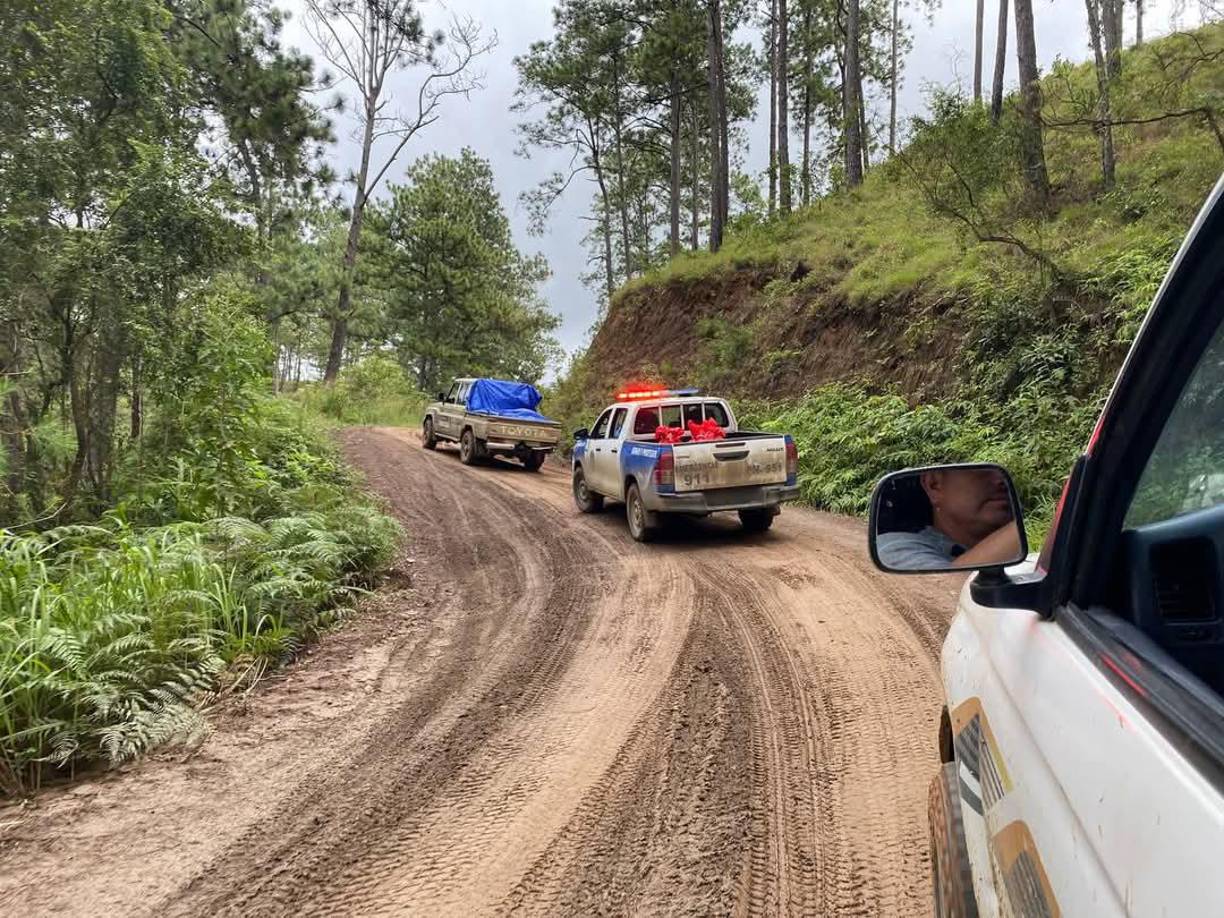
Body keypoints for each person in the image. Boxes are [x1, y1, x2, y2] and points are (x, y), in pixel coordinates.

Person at [877, 467, 1021, 570]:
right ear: (934, 485)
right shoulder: (893, 547)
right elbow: (942, 591)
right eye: (982, 471)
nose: (1001, 480)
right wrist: (1025, 527)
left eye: (1005, 472)